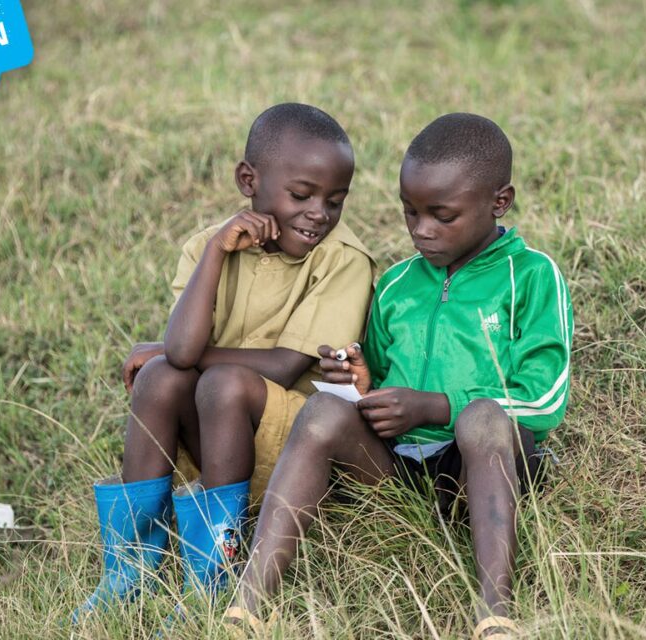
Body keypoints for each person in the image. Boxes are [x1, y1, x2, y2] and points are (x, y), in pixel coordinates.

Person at [224, 113, 572, 640]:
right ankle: (249, 604)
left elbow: (544, 398)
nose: (421, 230)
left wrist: (437, 407)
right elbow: (386, 381)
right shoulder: (396, 285)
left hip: (481, 467)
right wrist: (364, 387)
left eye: (441, 215)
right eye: (410, 212)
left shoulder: (531, 276)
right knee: (322, 410)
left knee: (481, 419)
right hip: (400, 475)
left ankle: (495, 615)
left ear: (498, 202)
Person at [72, 103, 376, 621]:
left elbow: (281, 367)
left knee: (223, 383)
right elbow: (182, 355)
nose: (318, 213)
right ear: (247, 180)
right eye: (301, 195)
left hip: (295, 455)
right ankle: (129, 571)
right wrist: (216, 252)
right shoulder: (206, 248)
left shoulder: (343, 260)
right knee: (162, 377)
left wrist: (174, 351)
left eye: (335, 201)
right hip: (217, 442)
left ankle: (212, 575)